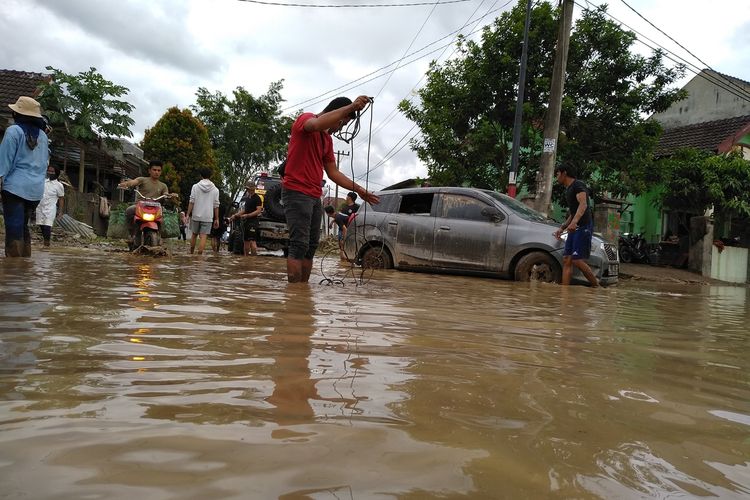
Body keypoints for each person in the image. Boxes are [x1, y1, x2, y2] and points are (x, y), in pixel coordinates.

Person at [282, 95, 379, 283]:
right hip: (296, 192)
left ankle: (302, 293)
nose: (339, 129)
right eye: (342, 125)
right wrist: (350, 107)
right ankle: (294, 295)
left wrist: (359, 189)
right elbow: (314, 125)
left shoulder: (327, 141)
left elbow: (333, 172)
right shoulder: (306, 120)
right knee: (298, 245)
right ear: (338, 117)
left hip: (313, 195)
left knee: (310, 246)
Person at [0, 96, 49, 257]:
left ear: (17, 114)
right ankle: (25, 268)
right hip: (35, 191)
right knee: (23, 226)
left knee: (14, 226)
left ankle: (13, 270)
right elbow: (44, 164)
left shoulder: (13, 131)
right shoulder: (43, 136)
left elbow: (4, 160)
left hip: (15, 188)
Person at [553, 164, 599, 287]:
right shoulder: (568, 189)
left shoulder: (578, 185)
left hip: (583, 227)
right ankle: (565, 291)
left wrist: (574, 223)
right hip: (574, 228)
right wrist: (562, 227)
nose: (556, 177)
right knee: (567, 259)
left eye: (557, 174)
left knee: (577, 260)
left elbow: (583, 205)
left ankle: (597, 287)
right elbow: (573, 213)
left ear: (564, 173)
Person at [117, 160, 175, 242]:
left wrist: (169, 195)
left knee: (164, 218)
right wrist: (126, 184)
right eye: (154, 170)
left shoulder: (163, 185)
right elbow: (134, 182)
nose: (156, 172)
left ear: (161, 172)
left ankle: (161, 237)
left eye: (159, 170)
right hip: (140, 206)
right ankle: (131, 233)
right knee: (129, 210)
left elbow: (166, 194)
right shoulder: (142, 180)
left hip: (155, 208)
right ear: (149, 171)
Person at [186, 167, 220, 255]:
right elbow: (216, 205)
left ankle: (191, 254)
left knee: (194, 234)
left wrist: (187, 214)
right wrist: (217, 218)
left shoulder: (195, 187)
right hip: (208, 216)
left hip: (196, 215)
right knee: (204, 236)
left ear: (201, 175)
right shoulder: (215, 190)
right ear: (211, 176)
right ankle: (199, 256)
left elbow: (191, 201)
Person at [35, 164, 65, 248]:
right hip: (40, 207)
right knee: (41, 225)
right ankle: (45, 242)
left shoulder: (59, 185)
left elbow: (61, 198)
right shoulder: (43, 182)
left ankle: (46, 244)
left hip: (50, 209)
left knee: (47, 226)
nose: (50, 172)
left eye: (52, 171)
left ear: (56, 173)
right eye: (49, 171)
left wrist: (60, 212)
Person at [230, 182, 262, 256]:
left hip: (253, 222)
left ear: (252, 189)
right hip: (246, 222)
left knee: (252, 241)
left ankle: (253, 259)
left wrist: (248, 215)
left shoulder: (257, 198)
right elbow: (245, 210)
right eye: (247, 189)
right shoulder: (248, 198)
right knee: (246, 241)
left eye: (248, 188)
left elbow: (258, 210)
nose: (247, 190)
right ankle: (246, 258)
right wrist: (235, 215)